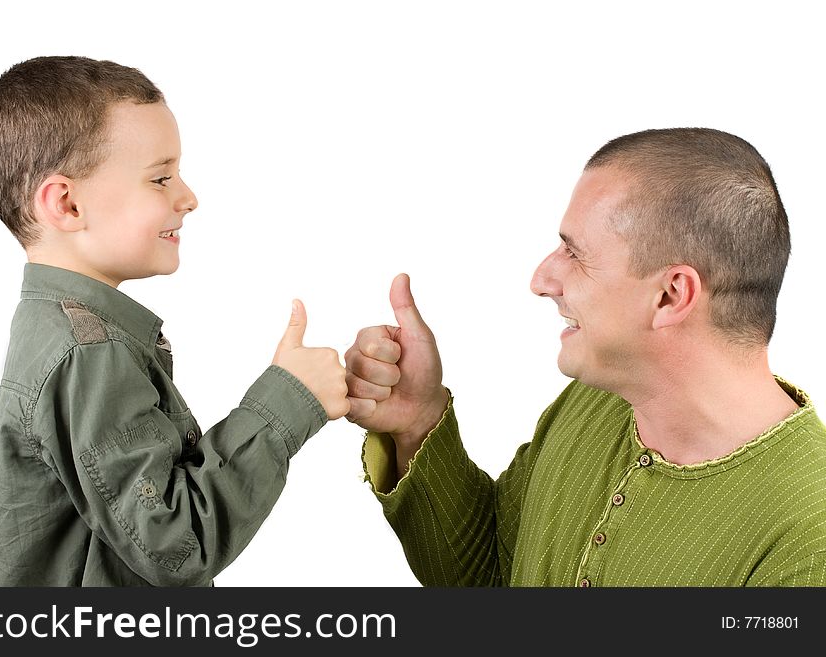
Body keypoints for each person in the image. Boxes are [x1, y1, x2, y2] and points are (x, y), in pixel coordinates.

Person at [344, 128, 826, 586]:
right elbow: (490, 577)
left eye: (574, 254)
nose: (541, 279)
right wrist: (418, 422)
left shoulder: (810, 536)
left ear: (671, 295)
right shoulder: (595, 401)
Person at [0, 56, 350, 586]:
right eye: (161, 178)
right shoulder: (87, 352)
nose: (188, 197)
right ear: (67, 204)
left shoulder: (56, 330)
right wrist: (289, 400)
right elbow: (178, 544)